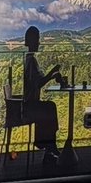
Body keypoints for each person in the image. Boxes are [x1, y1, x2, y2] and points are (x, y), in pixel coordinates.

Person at [22, 25, 63, 164]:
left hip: (29, 104)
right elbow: (38, 83)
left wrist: (51, 75)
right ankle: (50, 146)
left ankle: (49, 146)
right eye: (37, 39)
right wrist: (52, 73)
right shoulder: (31, 60)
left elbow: (38, 81)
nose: (39, 42)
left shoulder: (29, 59)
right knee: (50, 107)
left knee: (50, 107)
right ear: (31, 41)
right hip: (30, 106)